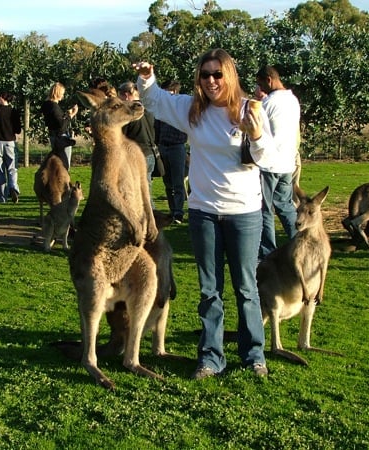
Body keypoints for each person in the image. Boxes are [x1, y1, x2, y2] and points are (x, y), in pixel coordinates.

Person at [134, 48, 277, 379]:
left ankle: (253, 354)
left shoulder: (248, 109)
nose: (211, 81)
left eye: (217, 74)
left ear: (229, 75)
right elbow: (154, 100)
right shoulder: (191, 109)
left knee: (246, 287)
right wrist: (146, 77)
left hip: (243, 213)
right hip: (204, 212)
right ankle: (211, 357)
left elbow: (267, 159)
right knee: (209, 289)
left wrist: (255, 135)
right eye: (205, 75)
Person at [255, 65, 301, 258]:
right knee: (285, 205)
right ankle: (299, 242)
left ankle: (268, 252)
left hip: (268, 163)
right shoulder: (293, 100)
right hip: (287, 162)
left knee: (264, 209)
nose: (260, 88)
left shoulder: (268, 103)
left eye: (260, 84)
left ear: (269, 80)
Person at [154, 80, 188, 223]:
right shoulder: (161, 109)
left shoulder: (181, 108)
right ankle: (172, 210)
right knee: (167, 182)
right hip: (163, 146)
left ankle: (179, 212)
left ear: (175, 92)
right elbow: (157, 128)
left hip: (177, 147)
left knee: (178, 182)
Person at [118, 81, 157, 200]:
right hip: (151, 154)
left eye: (120, 97)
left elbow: (121, 136)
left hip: (137, 156)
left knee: (140, 194)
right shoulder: (148, 109)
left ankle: (149, 217)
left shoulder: (129, 112)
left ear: (126, 95)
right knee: (146, 190)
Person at [0, 91, 22, 203]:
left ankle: (1, 197)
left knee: (0, 170)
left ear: (2, 98)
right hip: (10, 143)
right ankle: (13, 188)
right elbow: (18, 130)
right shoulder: (14, 112)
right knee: (12, 168)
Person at [41, 82, 78, 170]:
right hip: (61, 137)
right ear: (57, 93)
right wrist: (71, 115)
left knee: (57, 164)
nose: (63, 96)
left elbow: (55, 120)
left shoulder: (46, 105)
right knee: (64, 165)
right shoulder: (54, 106)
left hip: (53, 136)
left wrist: (65, 115)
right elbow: (61, 125)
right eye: (62, 94)